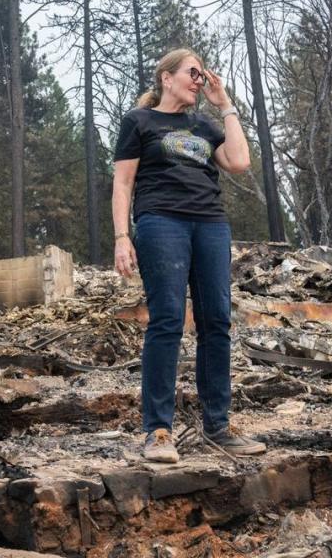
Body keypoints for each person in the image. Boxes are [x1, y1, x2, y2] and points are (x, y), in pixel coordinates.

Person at [111, 48, 266, 463]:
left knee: (217, 319)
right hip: (161, 222)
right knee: (167, 319)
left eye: (203, 74)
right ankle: (158, 431)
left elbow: (239, 161)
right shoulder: (139, 122)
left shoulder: (204, 124)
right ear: (167, 77)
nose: (200, 80)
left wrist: (226, 106)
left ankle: (218, 425)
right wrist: (122, 236)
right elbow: (123, 184)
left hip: (210, 224)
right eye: (192, 73)